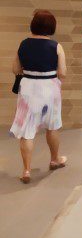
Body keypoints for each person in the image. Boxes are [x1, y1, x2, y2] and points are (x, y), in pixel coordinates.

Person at [10, 10, 68, 184]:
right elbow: (63, 73)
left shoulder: (24, 44)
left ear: (33, 25)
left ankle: (26, 170)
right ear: (51, 26)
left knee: (27, 131)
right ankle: (54, 159)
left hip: (28, 87)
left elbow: (15, 69)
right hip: (49, 87)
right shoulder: (56, 46)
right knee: (52, 126)